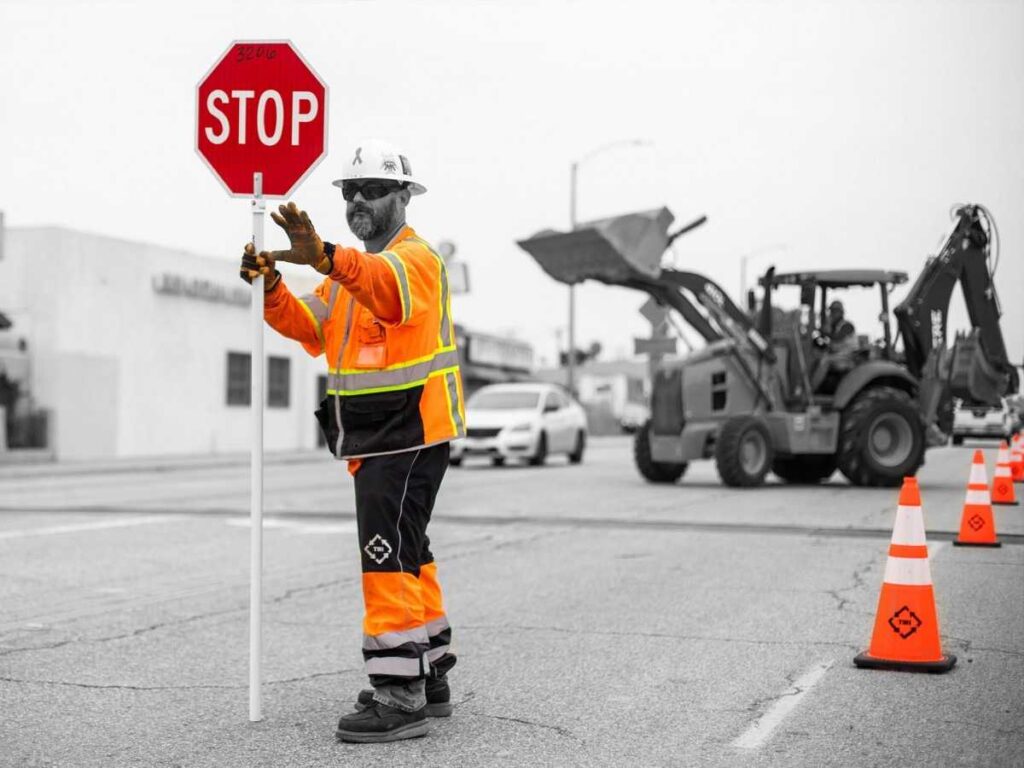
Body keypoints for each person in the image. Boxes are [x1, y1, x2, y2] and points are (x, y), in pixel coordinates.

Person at [239, 138, 466, 744]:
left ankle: (398, 699)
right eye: (349, 192)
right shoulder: (349, 273)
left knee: (384, 554)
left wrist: (326, 257)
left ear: (403, 197)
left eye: (372, 190)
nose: (358, 200)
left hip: (409, 434)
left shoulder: (413, 260)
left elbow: (385, 290)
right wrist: (271, 288)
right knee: (408, 550)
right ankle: (428, 672)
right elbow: (310, 326)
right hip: (381, 436)